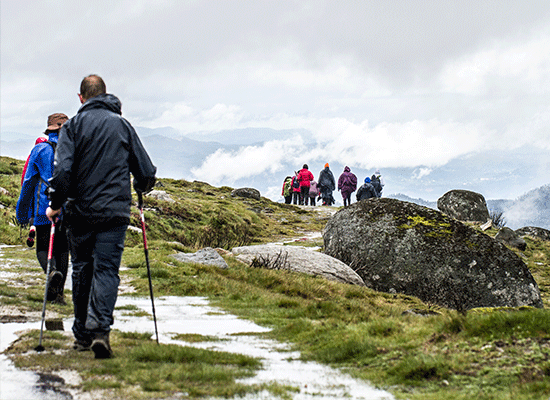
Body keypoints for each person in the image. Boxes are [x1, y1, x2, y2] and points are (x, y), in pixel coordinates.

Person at [46, 75, 156, 359]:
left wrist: (55, 204)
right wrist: (141, 187)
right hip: (114, 213)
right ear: (106, 95)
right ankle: (100, 331)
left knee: (82, 269)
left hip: (80, 213)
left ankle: (82, 335)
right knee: (106, 270)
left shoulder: (72, 127)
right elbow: (145, 171)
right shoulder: (122, 125)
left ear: (81, 98)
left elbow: (63, 172)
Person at [16, 113, 70, 305]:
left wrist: (22, 213)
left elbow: (29, 182)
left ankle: (51, 271)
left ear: (50, 130)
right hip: (66, 209)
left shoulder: (40, 149)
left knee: (43, 248)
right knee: (63, 249)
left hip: (43, 208)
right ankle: (58, 295)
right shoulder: (74, 149)